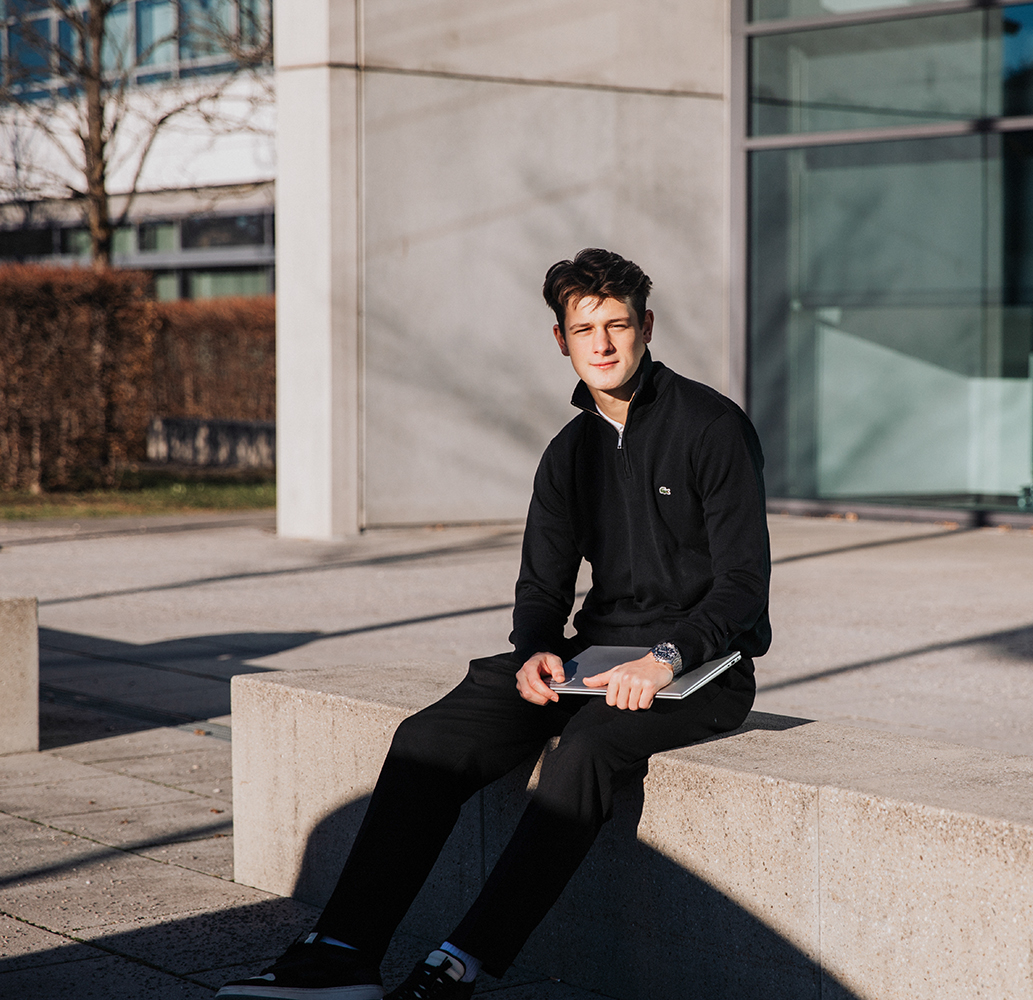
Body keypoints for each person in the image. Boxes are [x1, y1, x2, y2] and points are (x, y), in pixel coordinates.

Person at [217, 248, 772, 1000]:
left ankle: (460, 963)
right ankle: (342, 954)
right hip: (595, 656)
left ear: (647, 326)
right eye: (585, 329)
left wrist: (667, 659)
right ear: (561, 341)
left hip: (703, 669)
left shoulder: (711, 426)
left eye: (618, 326)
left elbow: (743, 587)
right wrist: (538, 651)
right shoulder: (567, 453)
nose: (603, 344)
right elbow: (542, 586)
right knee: (430, 737)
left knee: (584, 752)